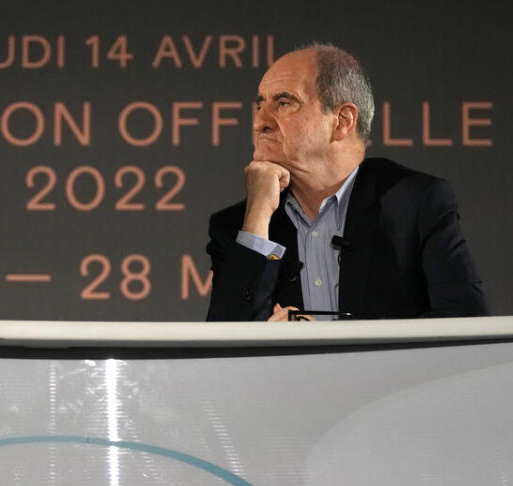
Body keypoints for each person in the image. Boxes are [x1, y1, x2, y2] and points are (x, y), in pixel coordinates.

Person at [206, 43, 488, 321]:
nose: (260, 122)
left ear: (342, 121)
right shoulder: (238, 229)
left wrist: (336, 347)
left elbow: (465, 321)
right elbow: (222, 349)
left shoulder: (414, 204)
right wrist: (256, 217)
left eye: (283, 103)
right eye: (259, 106)